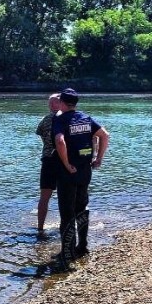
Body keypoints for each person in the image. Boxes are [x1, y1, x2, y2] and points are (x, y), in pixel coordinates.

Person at [52, 88, 109, 267]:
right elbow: (104, 135)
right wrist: (99, 158)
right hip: (85, 171)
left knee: (66, 213)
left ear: (62, 102)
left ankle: (67, 252)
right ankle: (82, 246)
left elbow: (60, 141)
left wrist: (67, 163)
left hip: (67, 173)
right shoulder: (85, 118)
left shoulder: (60, 120)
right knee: (82, 207)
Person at [35, 93, 63, 234]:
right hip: (64, 160)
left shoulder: (45, 120)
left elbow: (42, 136)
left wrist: (48, 147)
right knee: (67, 195)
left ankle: (40, 228)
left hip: (48, 159)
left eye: (50, 103)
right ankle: (67, 225)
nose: (50, 105)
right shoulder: (67, 118)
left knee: (44, 197)